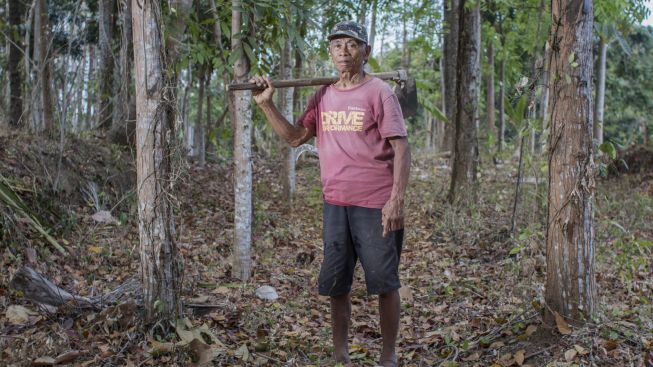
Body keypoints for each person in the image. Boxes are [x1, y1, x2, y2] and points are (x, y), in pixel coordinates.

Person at [250, 20, 411, 367]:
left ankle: (388, 356)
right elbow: (295, 138)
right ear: (330, 52)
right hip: (336, 204)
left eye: (351, 45)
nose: (343, 51)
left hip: (375, 204)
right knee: (337, 281)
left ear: (366, 52)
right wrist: (265, 104)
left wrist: (397, 199)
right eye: (337, 45)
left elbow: (401, 147)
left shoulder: (379, 92)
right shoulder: (323, 95)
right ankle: (341, 355)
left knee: (384, 282)